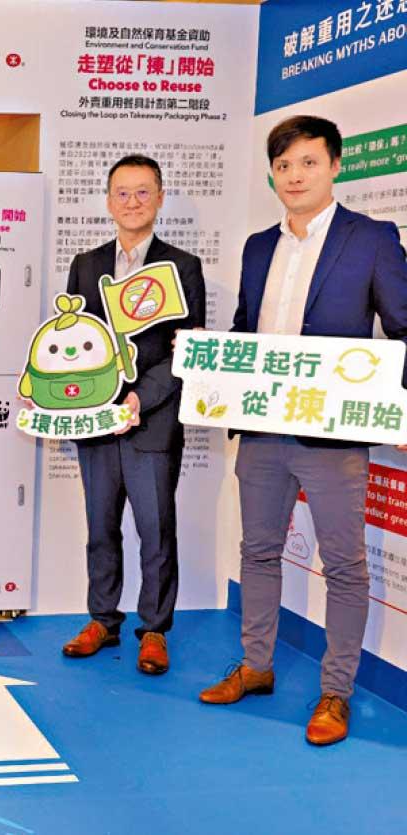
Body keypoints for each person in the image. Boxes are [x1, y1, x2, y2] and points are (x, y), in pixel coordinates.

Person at [199, 116, 407, 745]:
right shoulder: (258, 246)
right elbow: (245, 330)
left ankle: (336, 692)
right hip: (262, 428)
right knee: (258, 551)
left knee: (343, 564)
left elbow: (404, 327)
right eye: (284, 165)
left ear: (335, 166)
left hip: (332, 433)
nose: (295, 176)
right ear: (273, 174)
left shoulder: (370, 239)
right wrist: (206, 365)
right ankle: (256, 666)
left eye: (308, 163)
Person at [59, 154, 206, 675]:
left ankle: (155, 629)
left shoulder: (181, 266)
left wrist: (141, 398)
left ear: (160, 198)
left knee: (155, 531)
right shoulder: (86, 264)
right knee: (100, 527)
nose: (132, 202)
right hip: (95, 422)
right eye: (122, 192)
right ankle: (102, 619)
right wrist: (56, 395)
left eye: (143, 192)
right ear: (108, 201)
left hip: (153, 421)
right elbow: (72, 343)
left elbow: (185, 352)